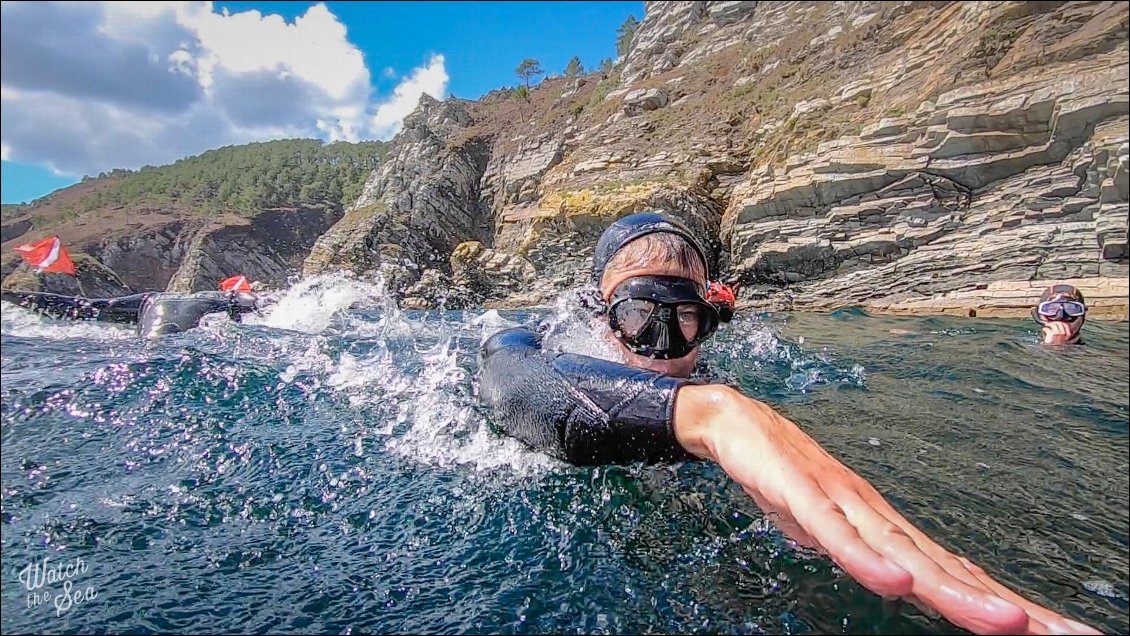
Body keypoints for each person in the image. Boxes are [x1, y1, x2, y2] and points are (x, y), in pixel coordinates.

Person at [478, 211, 1101, 635]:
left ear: (711, 316)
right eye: (639, 317)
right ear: (600, 313)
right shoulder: (540, 341)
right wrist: (710, 413)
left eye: (686, 318)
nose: (663, 346)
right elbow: (509, 386)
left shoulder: (743, 368)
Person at [0, 287, 270, 338]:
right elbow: (245, 302)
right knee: (158, 342)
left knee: (85, 308)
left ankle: (14, 298)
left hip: (147, 301)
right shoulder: (222, 301)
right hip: (155, 308)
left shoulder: (209, 299)